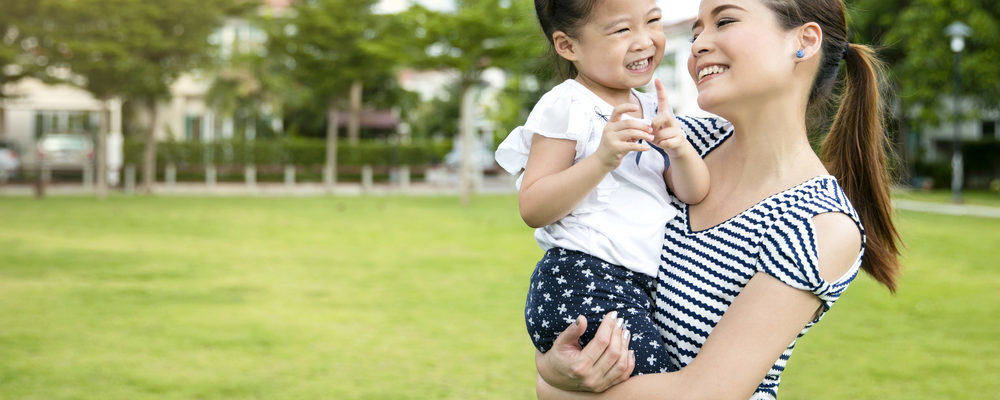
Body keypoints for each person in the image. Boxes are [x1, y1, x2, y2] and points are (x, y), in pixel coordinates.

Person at [533, 0, 903, 398]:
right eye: (695, 33)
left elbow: (705, 394)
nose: (698, 45)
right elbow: (575, 273)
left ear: (804, 41)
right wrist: (553, 366)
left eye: (724, 21)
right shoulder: (674, 143)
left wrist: (556, 390)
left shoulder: (818, 223)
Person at [494, 0, 712, 376]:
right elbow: (533, 206)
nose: (645, 40)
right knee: (659, 386)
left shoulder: (651, 107)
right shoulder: (568, 105)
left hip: (637, 287)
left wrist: (679, 149)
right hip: (583, 280)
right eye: (621, 30)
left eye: (653, 21)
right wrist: (601, 159)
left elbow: (692, 192)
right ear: (568, 46)